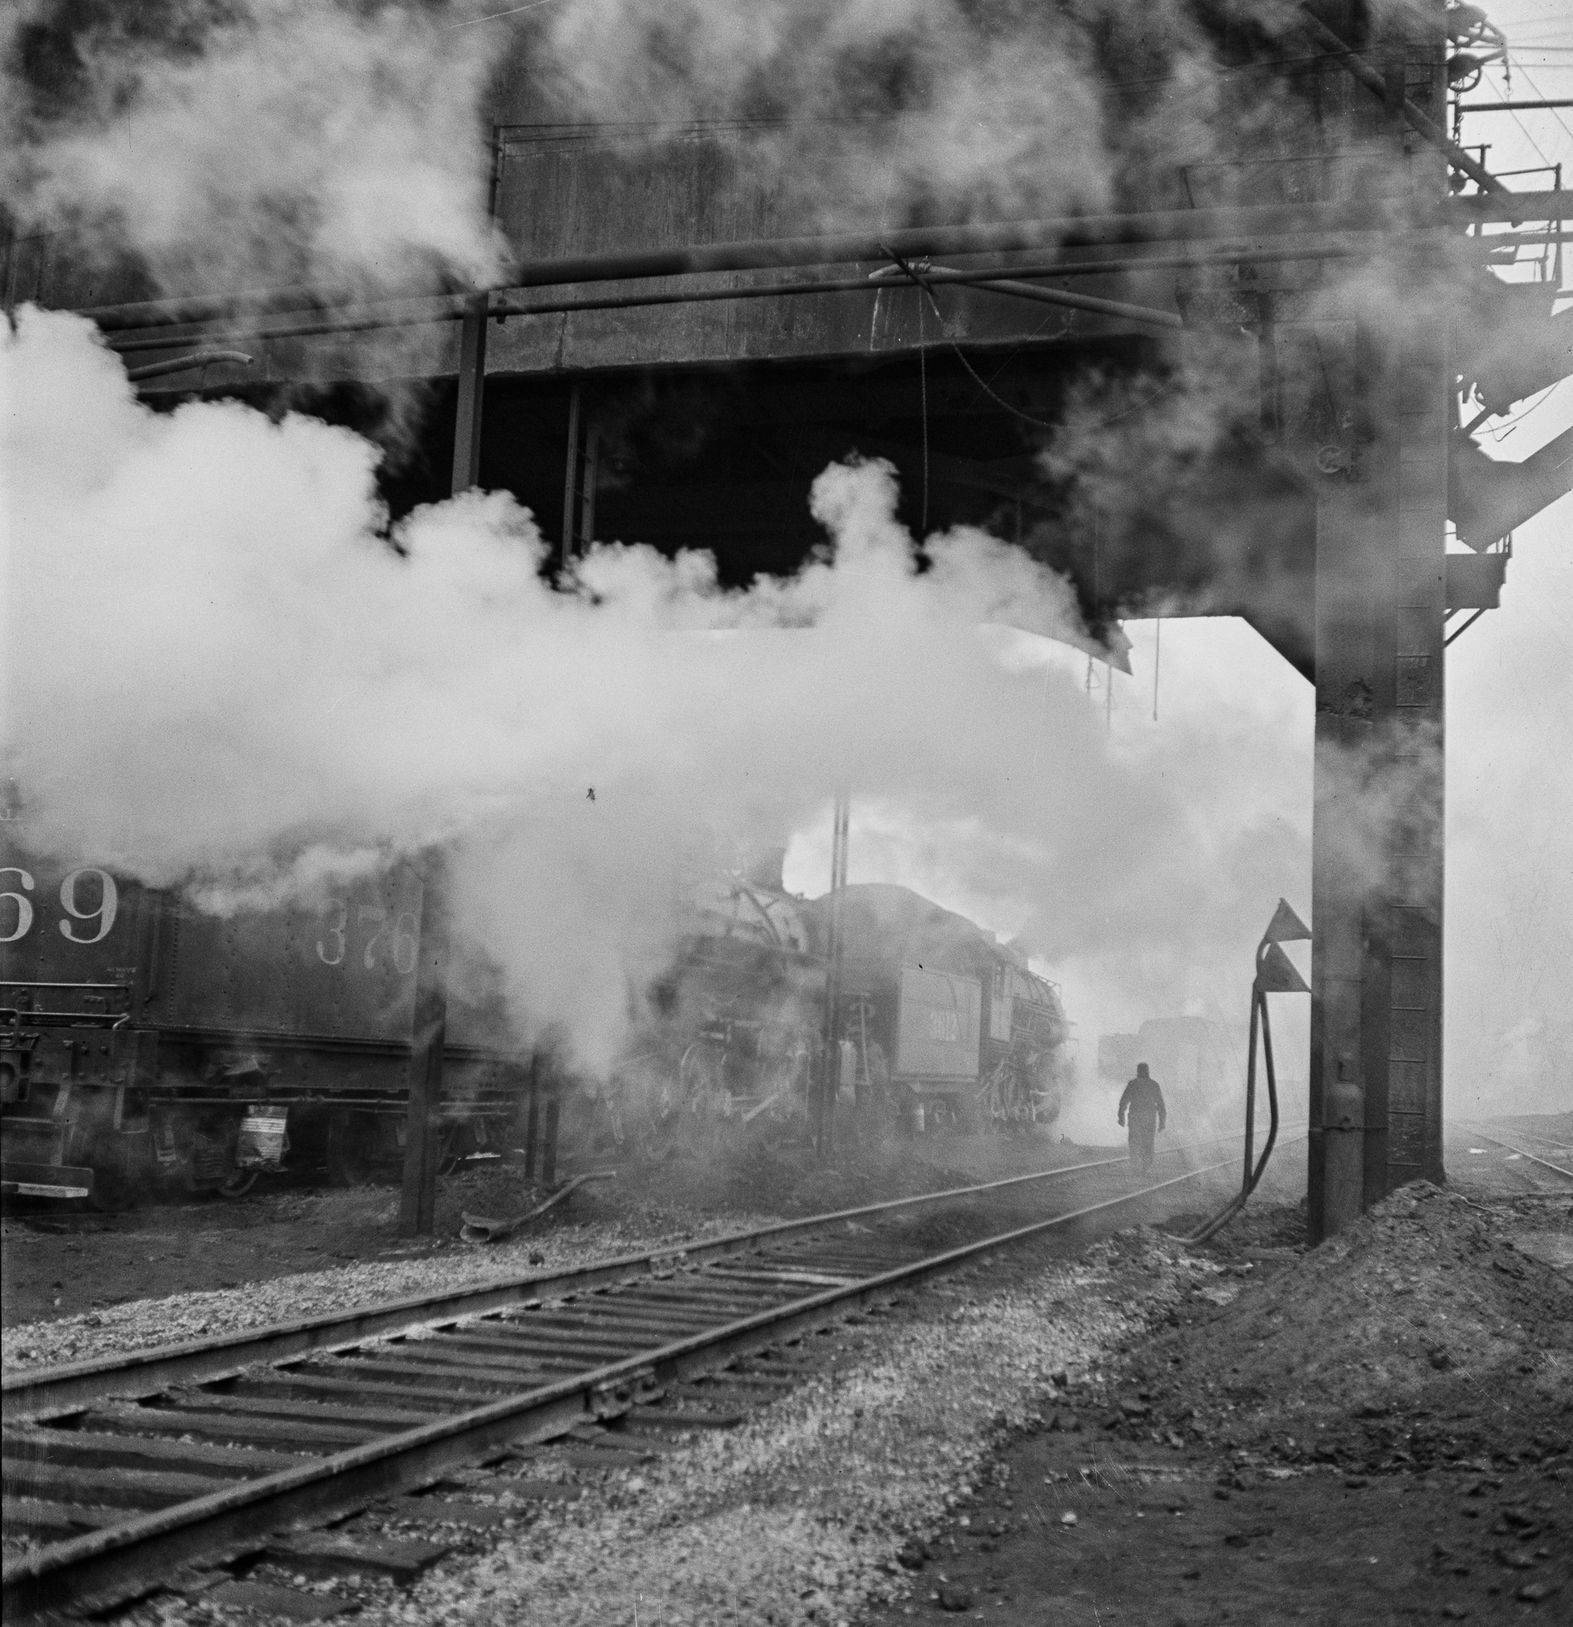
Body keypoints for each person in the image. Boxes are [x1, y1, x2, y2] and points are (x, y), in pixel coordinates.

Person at [1118, 1062, 1166, 1174]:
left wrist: (1121, 1117)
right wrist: (1162, 1122)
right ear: (1148, 1071)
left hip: (1135, 1117)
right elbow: (1161, 1105)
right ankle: (1146, 1167)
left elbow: (1124, 1101)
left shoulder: (1132, 1084)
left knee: (1134, 1142)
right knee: (1148, 1143)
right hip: (1150, 1118)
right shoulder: (1154, 1085)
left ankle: (1135, 1166)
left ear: (1138, 1071)